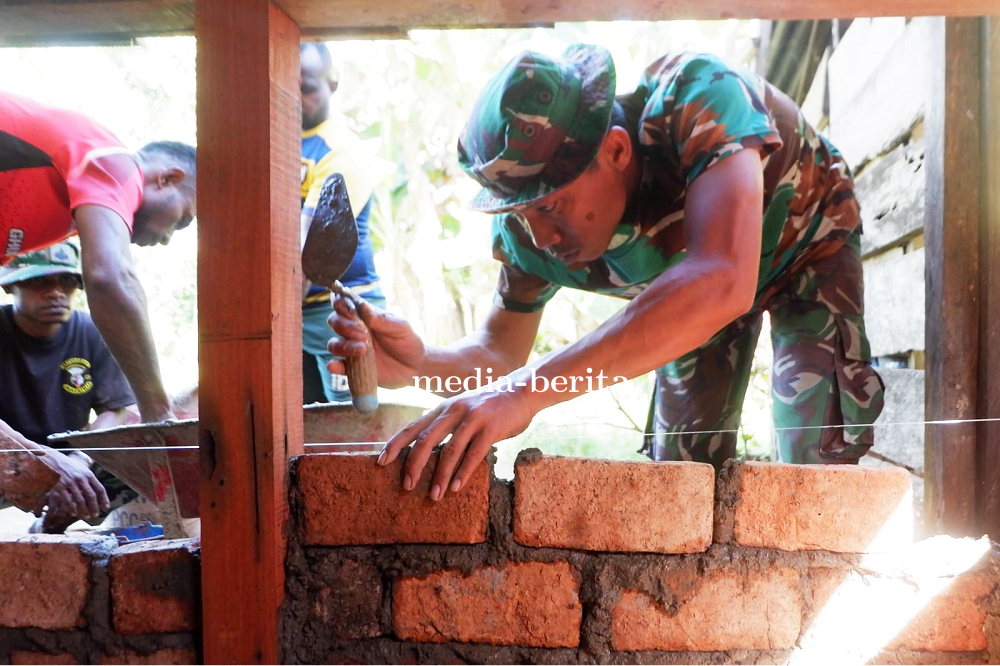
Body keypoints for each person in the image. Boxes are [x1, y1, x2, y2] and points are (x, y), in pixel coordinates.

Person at [329, 44, 885, 501]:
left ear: (616, 151)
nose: (540, 237)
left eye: (551, 207)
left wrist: (527, 393)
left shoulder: (697, 95)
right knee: (681, 479)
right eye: (521, 214)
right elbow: (498, 355)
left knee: (815, 471)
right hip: (688, 296)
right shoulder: (527, 230)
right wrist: (422, 365)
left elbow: (721, 278)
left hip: (804, 245)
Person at [1, 90, 197, 423]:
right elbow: (110, 276)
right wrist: (158, 414)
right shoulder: (111, 162)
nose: (166, 239)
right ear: (168, 178)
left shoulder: (59, 217)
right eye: (182, 221)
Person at [0, 242, 137, 533]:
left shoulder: (93, 331)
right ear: (10, 286)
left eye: (67, 280)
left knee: (143, 453)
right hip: (7, 455)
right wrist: (41, 460)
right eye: (40, 281)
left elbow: (114, 410)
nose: (56, 292)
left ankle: (50, 527)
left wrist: (80, 459)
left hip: (71, 458)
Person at [299, 42, 390, 404]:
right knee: (296, 425)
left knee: (351, 422)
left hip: (338, 310)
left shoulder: (341, 152)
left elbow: (307, 254)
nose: (296, 98)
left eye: (306, 88)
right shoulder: (276, 144)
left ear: (332, 85)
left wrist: (268, 328)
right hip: (295, 312)